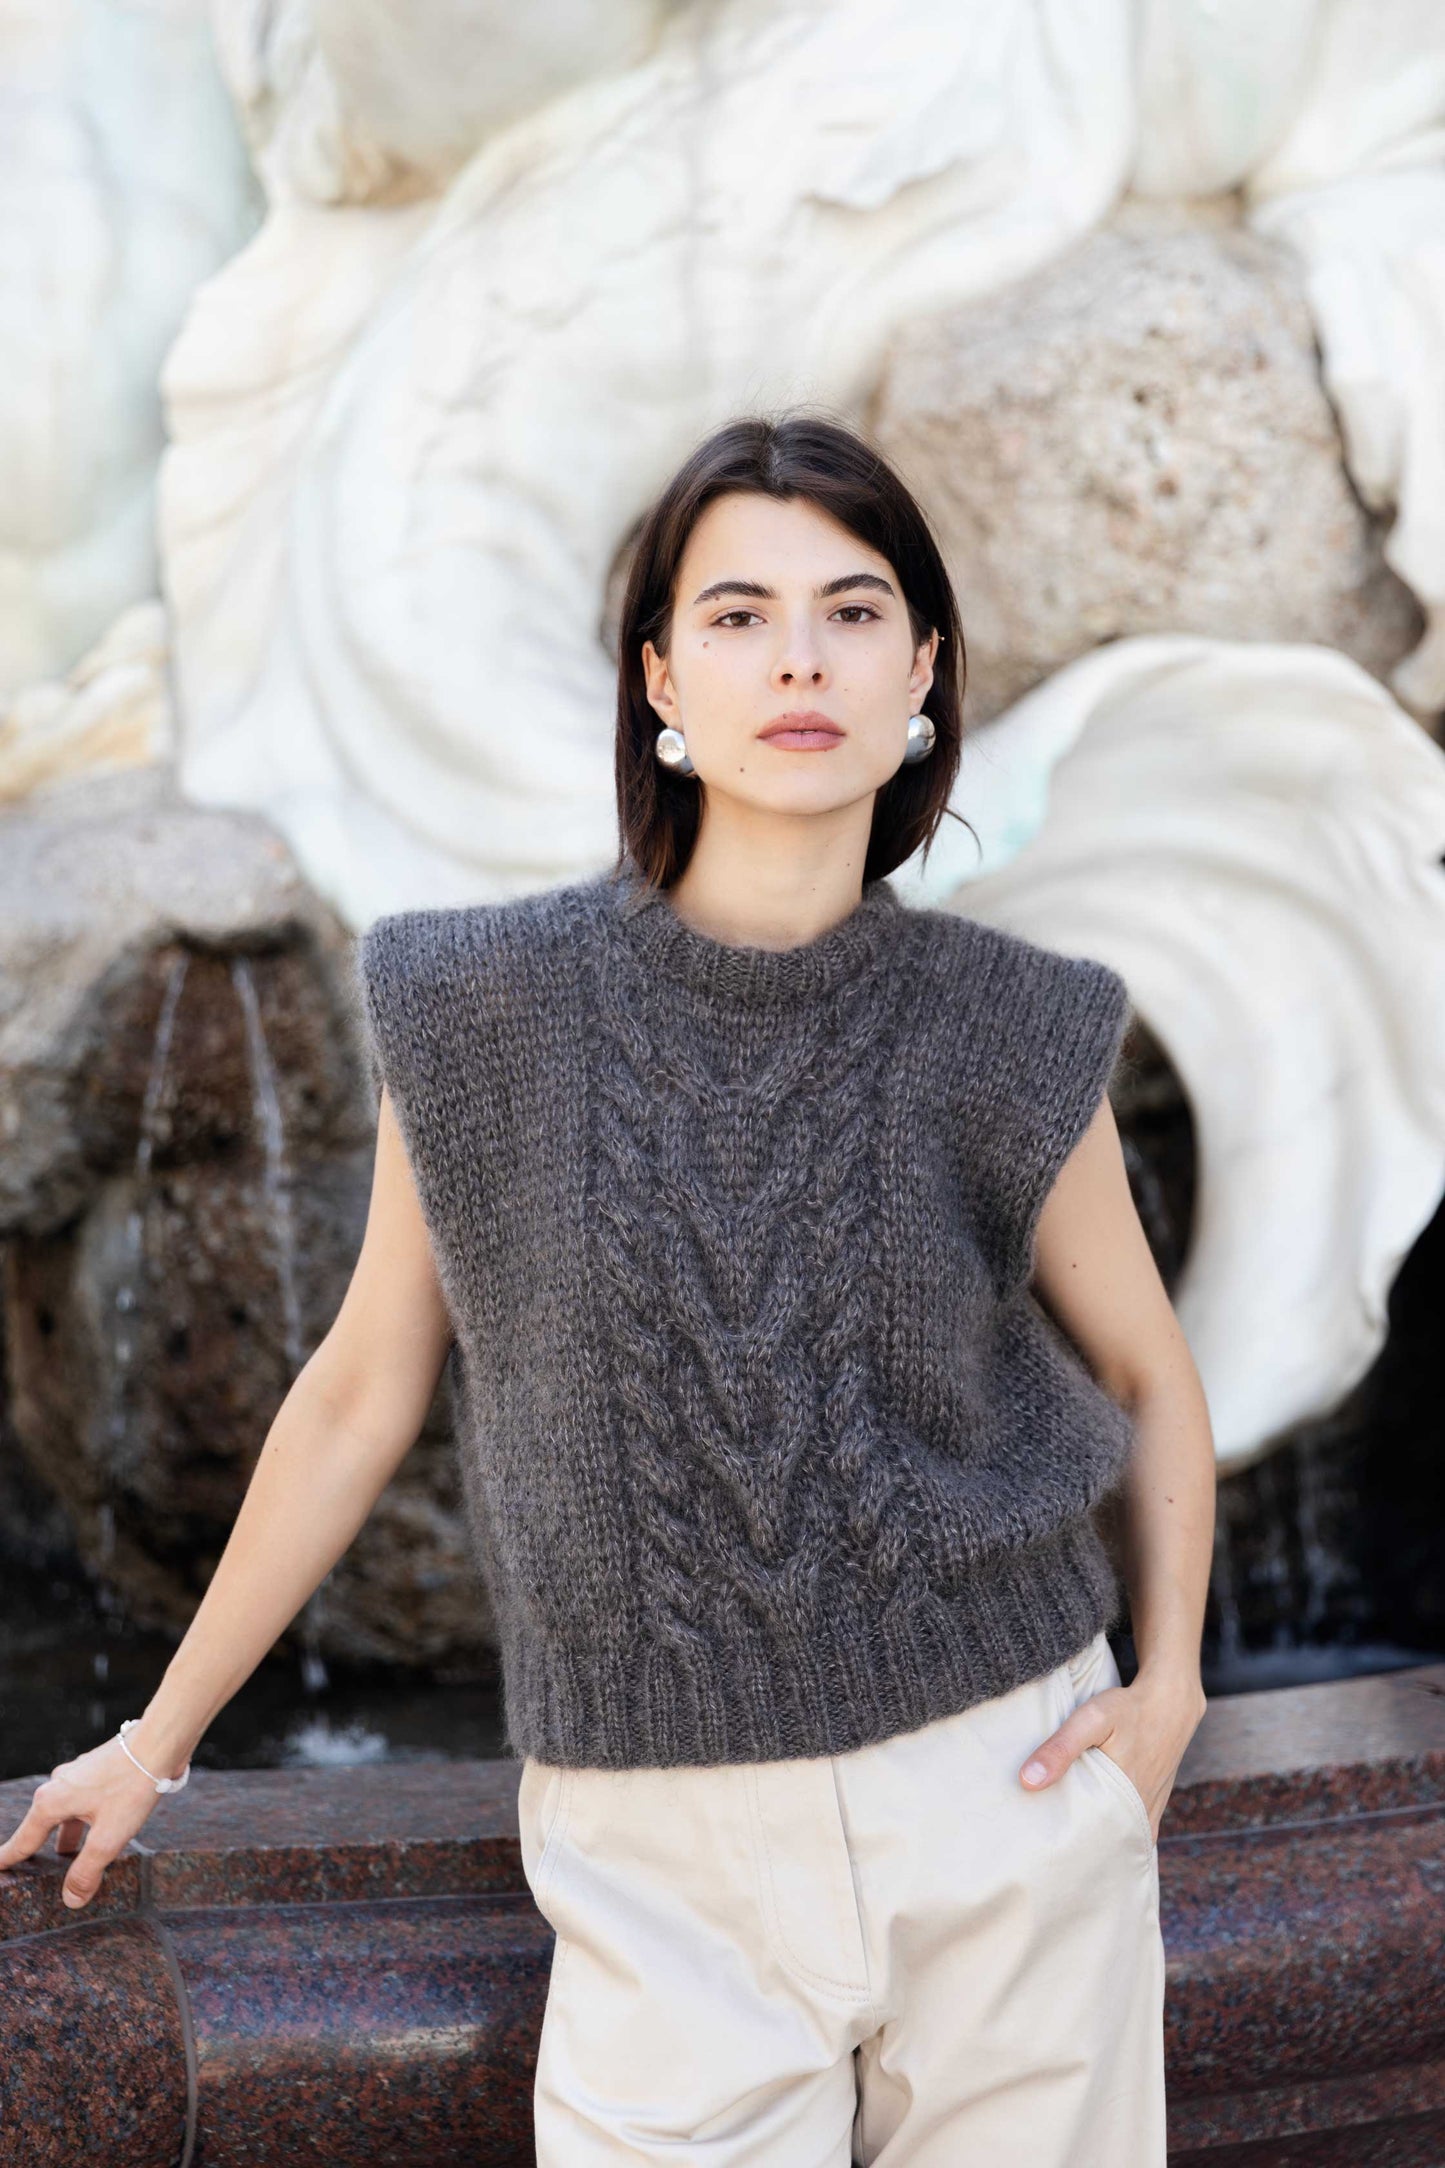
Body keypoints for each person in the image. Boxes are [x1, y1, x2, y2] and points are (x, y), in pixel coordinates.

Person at [0, 411, 1214, 2165]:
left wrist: (1163, 1692)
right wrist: (154, 1741)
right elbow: (356, 1389)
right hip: (661, 1860)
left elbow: (1150, 1374)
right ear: (657, 676)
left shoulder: (1008, 1026)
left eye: (852, 610)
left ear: (924, 672)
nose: (797, 655)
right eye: (736, 614)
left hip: (1005, 1800)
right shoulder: (481, 1007)